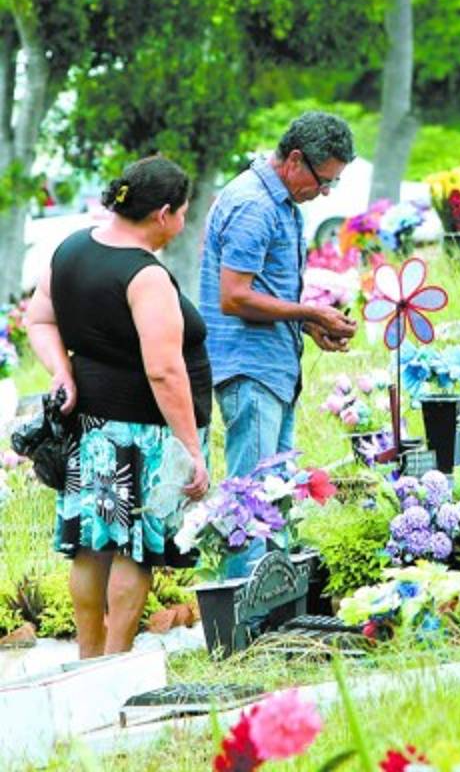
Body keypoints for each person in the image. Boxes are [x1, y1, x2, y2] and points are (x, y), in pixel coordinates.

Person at [25, 155, 211, 658]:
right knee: (135, 550)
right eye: (182, 215)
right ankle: (116, 661)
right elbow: (163, 370)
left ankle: (87, 660)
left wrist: (63, 371)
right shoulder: (144, 275)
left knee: (91, 546)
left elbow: (38, 320)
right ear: (164, 212)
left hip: (90, 430)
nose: (180, 225)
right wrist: (190, 447)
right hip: (142, 434)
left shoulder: (71, 249)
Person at [199, 111, 358, 482]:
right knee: (251, 503)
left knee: (276, 496)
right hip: (250, 369)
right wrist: (313, 312)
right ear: (295, 159)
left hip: (273, 369)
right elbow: (235, 298)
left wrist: (306, 323)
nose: (325, 192)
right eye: (323, 181)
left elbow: (265, 293)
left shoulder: (280, 202)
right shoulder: (254, 205)